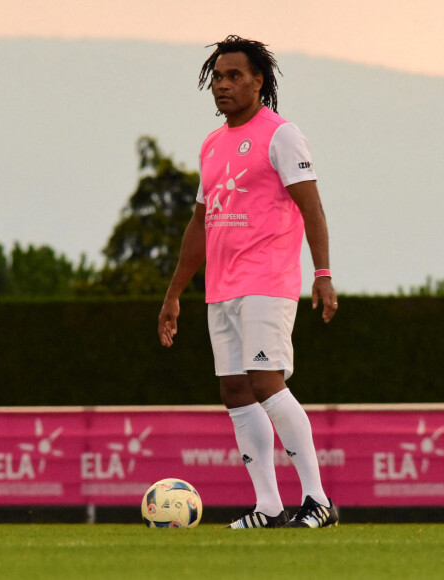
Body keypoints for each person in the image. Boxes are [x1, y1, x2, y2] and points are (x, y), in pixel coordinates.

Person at [158, 35, 339, 529]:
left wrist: (322, 274)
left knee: (266, 383)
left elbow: (312, 207)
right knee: (235, 391)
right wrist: (174, 293)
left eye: (234, 76)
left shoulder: (281, 135)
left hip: (267, 282)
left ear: (259, 81)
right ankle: (269, 507)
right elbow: (200, 224)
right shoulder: (212, 145)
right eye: (217, 77)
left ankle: (319, 501)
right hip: (222, 288)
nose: (223, 85)